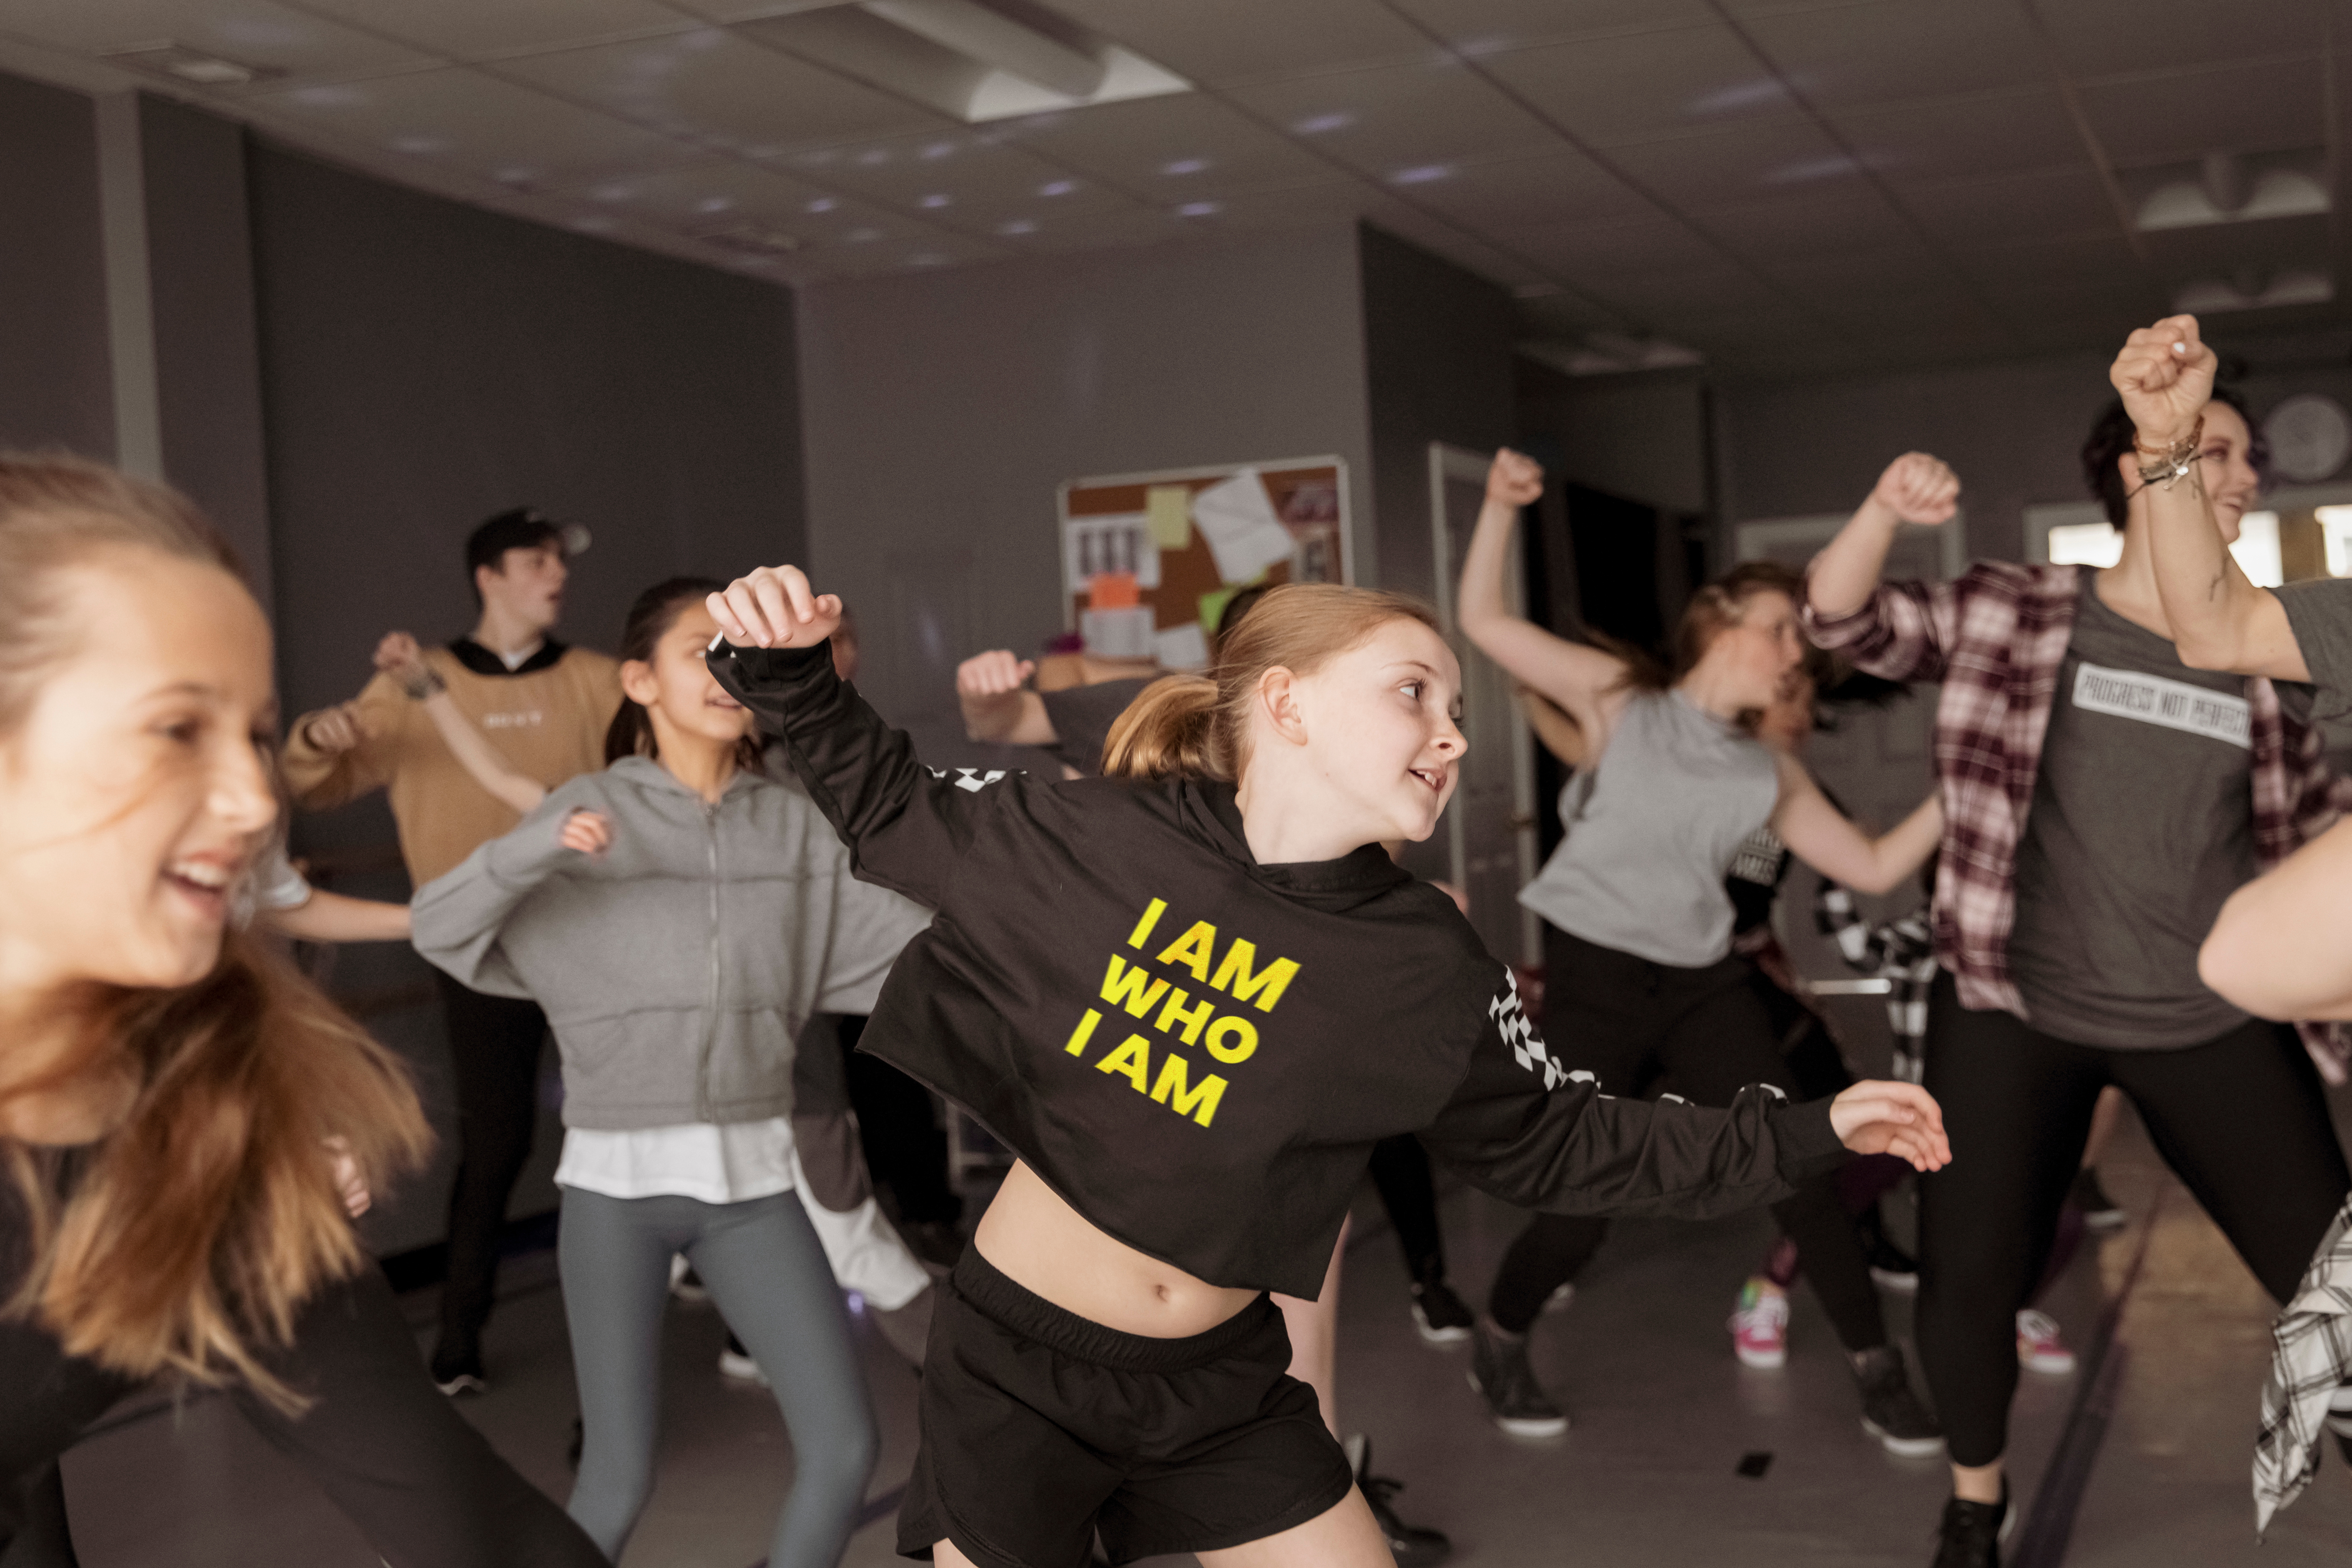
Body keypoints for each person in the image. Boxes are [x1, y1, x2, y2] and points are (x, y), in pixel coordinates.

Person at [700, 560, 1948, 1568]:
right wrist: (790, 673)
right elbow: (891, 805)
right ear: (1287, 704)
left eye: (1457, 710)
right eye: (1417, 693)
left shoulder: (1428, 960)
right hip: (1020, 1371)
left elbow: (1570, 1139)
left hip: (1217, 1385)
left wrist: (1812, 1127)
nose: (1451, 737)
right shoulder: (1101, 833)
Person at [0, 454, 609, 1568]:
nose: (247, 800)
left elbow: (494, 1540)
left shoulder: (209, 1139)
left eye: (252, 731)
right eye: (176, 729)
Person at [1805, 405, 2352, 1565]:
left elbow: (2315, 836)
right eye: (2219, 451)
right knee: (1966, 1280)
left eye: (2249, 456)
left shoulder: (2267, 646)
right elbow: (1846, 620)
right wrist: (1881, 514)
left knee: (2336, 1291)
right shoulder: (2021, 605)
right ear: (2131, 470)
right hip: (2016, 1005)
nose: (2246, 475)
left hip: (2208, 1018)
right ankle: (1974, 1502)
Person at [412, 578, 917, 1567]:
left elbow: (909, 948)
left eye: (741, 652)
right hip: (615, 1195)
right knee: (618, 1472)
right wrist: (528, 855)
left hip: (756, 1190)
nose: (726, 671)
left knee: (846, 1444)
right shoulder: (585, 811)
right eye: (700, 649)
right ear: (638, 679)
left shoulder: (797, 828)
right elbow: (439, 927)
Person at [1451, 450, 1945, 1455]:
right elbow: (1485, 625)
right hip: (1594, 974)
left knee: (1803, 1164)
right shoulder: (1619, 698)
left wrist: (1974, 781)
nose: (1795, 653)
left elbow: (1875, 860)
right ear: (1725, 618)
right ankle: (1500, 1340)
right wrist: (1501, 508)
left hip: (1702, 980)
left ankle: (1877, 1371)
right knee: (1580, 1196)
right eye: (1783, 630)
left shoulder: (1772, 770)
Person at [283, 508, 621, 1393]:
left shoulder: (596, 680)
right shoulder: (412, 683)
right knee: (497, 1137)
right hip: (477, 948)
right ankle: (459, 1335)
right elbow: (319, 778)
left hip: (592, 936)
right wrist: (320, 740)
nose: (555, 574)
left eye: (560, 560)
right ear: (489, 576)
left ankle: (676, 1288)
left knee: (628, 1121)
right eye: (534, 560)